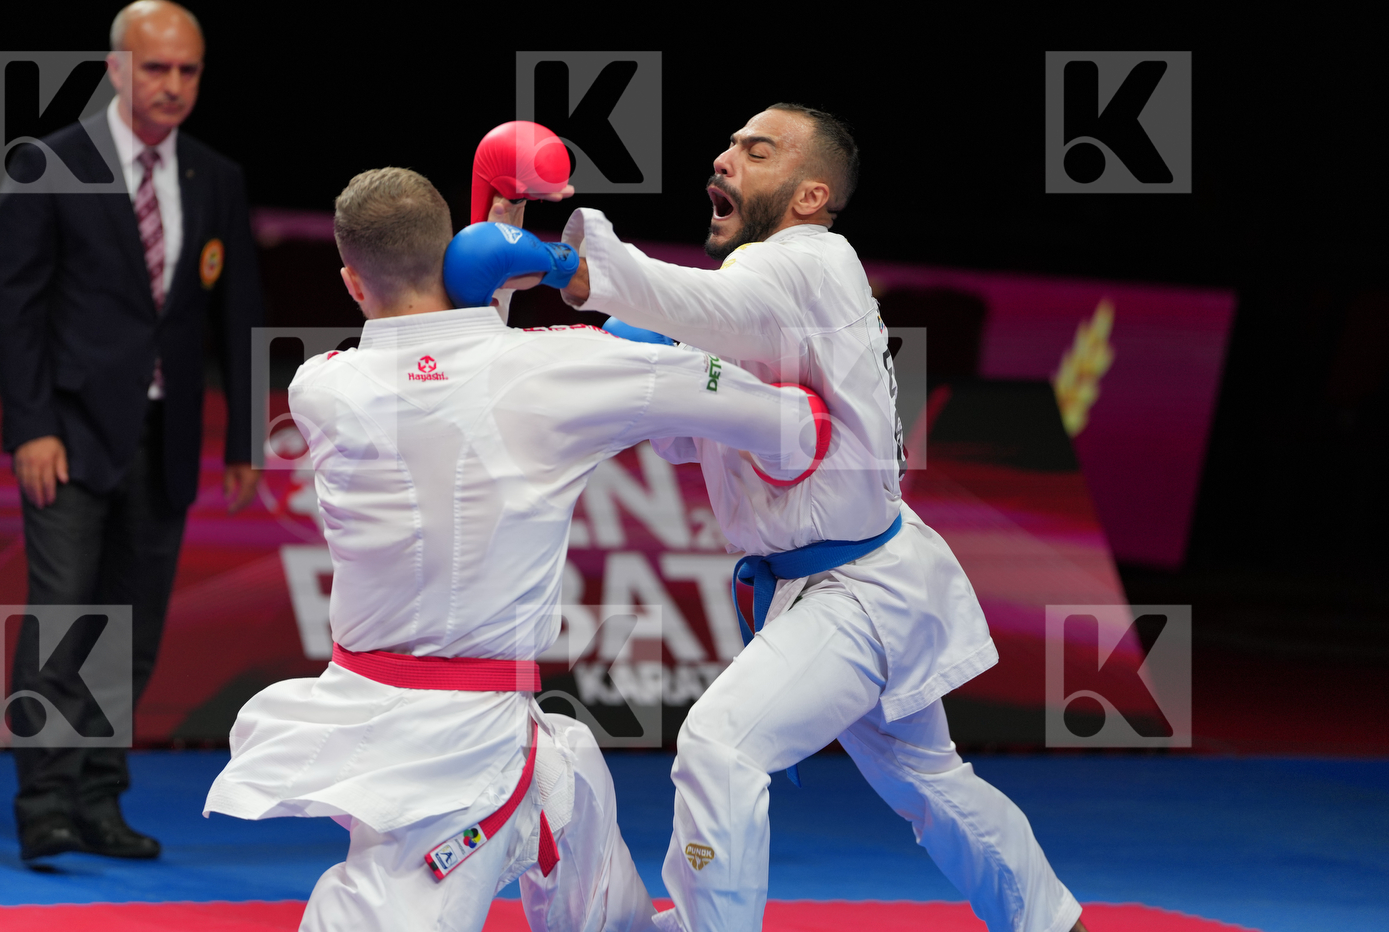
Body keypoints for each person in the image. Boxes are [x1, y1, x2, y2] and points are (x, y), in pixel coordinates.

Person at [202, 167, 831, 931]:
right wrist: (781, 416)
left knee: (588, 846)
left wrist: (503, 295)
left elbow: (454, 374)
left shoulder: (321, 388)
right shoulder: (556, 367)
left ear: (351, 283)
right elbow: (782, 422)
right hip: (453, 758)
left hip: (455, 726)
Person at [541, 104, 1086, 932]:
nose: (724, 160)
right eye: (725, 145)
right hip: (847, 583)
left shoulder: (808, 260)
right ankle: (1055, 922)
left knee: (721, 745)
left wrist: (573, 269)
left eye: (755, 152)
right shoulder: (762, 295)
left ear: (809, 196)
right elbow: (690, 417)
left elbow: (697, 305)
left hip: (858, 592)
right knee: (932, 785)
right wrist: (604, 352)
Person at [0, 0, 264, 862]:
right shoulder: (49, 163)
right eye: (156, 68)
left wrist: (245, 436)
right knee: (65, 619)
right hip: (66, 435)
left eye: (187, 70)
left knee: (130, 634)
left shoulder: (214, 177)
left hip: (166, 437)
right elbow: (14, 306)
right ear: (116, 67)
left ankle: (101, 800)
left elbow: (238, 312)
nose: (173, 85)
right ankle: (46, 807)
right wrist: (30, 425)